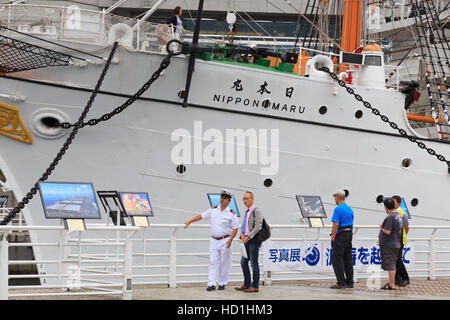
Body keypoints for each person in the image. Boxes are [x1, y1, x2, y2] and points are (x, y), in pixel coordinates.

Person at [184, 190, 239, 291]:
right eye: (221, 197)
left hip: (225, 240)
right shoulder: (213, 210)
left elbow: (235, 228)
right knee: (213, 262)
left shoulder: (232, 214)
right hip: (214, 240)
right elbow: (201, 216)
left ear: (229, 201)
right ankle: (211, 284)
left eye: (225, 198)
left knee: (224, 263)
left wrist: (231, 239)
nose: (222, 199)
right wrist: (189, 221)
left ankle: (222, 283)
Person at [235, 191, 263, 293]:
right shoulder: (247, 212)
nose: (244, 200)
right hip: (245, 240)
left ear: (252, 199)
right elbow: (245, 226)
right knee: (243, 262)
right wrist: (242, 235)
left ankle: (255, 286)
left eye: (246, 198)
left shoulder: (257, 210)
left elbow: (258, 226)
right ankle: (247, 284)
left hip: (253, 241)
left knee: (253, 263)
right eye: (244, 198)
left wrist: (249, 237)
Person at [330, 190, 354, 289]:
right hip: (349, 234)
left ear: (337, 197)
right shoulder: (349, 209)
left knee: (337, 259)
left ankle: (341, 282)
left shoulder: (338, 209)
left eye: (335, 197)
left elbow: (335, 224)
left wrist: (333, 236)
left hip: (341, 235)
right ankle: (350, 282)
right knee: (348, 258)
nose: (334, 199)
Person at [379, 197, 403, 290]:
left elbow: (388, 231)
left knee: (390, 265)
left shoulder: (390, 217)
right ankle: (391, 283)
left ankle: (392, 284)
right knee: (392, 263)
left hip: (389, 245)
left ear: (386, 207)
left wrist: (381, 227)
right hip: (396, 242)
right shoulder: (398, 216)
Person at [392, 195, 410, 286]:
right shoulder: (392, 212)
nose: (392, 203)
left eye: (393, 202)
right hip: (393, 240)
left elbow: (406, 227)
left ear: (398, 203)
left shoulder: (402, 214)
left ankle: (405, 278)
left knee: (398, 260)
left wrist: (402, 236)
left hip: (399, 240)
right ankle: (397, 279)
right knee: (394, 260)